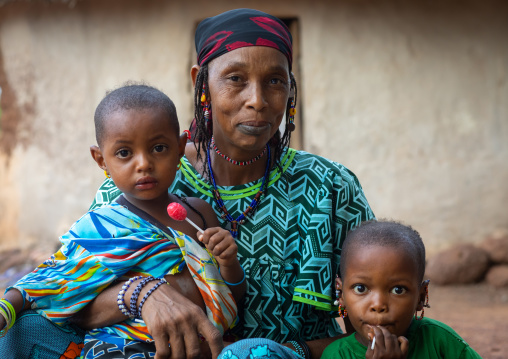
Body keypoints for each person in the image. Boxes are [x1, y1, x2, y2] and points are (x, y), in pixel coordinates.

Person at [81, 8, 375, 359]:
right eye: (235, 78)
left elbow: (380, 317)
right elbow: (70, 303)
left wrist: (280, 353)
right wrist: (142, 292)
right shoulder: (135, 188)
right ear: (201, 83)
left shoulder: (330, 187)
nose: (257, 100)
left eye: (275, 81)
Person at [0, 83, 246, 358]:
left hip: (205, 346)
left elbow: (230, 298)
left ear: (179, 148)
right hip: (123, 348)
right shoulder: (99, 227)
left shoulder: (199, 214)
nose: (143, 163)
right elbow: (50, 279)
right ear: (101, 160)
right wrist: (6, 307)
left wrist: (229, 264)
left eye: (159, 147)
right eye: (124, 153)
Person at [319, 220, 482, 358]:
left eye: (398, 290)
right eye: (361, 288)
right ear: (340, 294)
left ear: (421, 297)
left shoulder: (440, 341)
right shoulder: (337, 354)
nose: (378, 305)